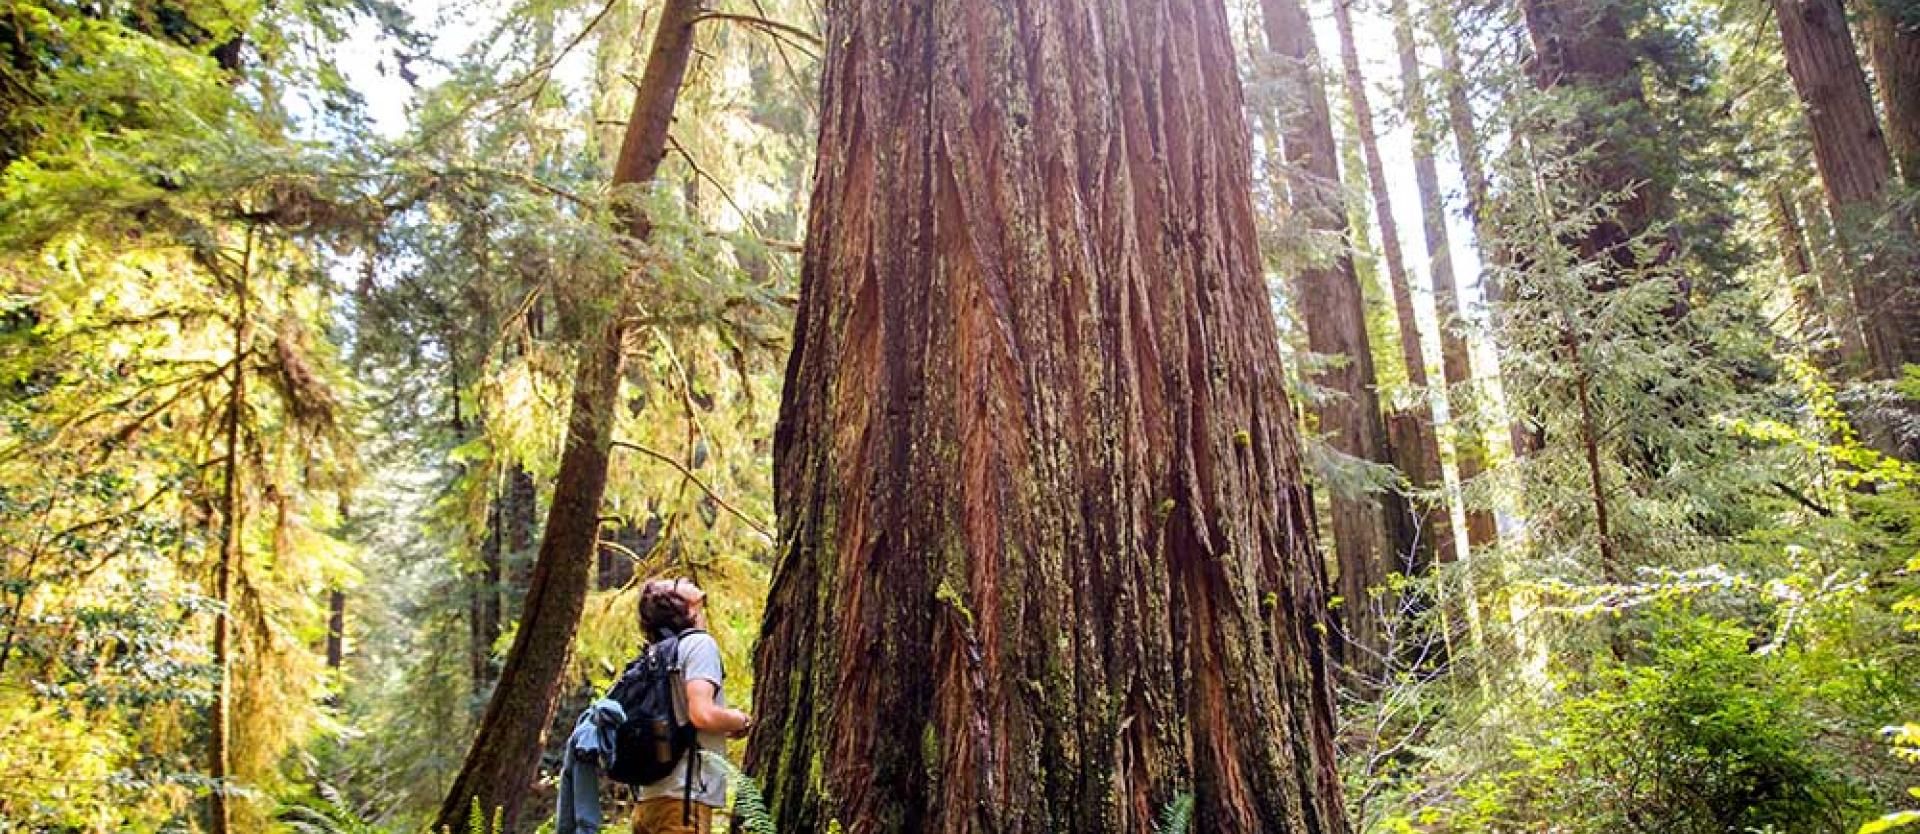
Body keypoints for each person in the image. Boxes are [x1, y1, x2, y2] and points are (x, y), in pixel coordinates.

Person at [631, 577, 752, 834]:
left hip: (649, 801)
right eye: (677, 582)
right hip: (682, 801)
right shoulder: (698, 645)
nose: (685, 579)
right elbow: (702, 715)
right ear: (678, 605)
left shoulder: (657, 652)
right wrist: (741, 720)